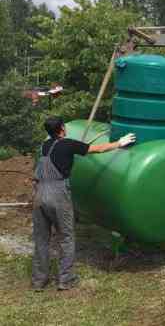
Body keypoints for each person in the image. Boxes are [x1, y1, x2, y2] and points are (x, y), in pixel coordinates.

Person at [31, 116, 136, 291]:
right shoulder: (68, 144)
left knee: (41, 239)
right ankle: (66, 279)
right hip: (58, 194)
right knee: (66, 237)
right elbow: (99, 148)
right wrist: (119, 142)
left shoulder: (44, 146)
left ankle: (38, 281)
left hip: (39, 193)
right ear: (62, 129)